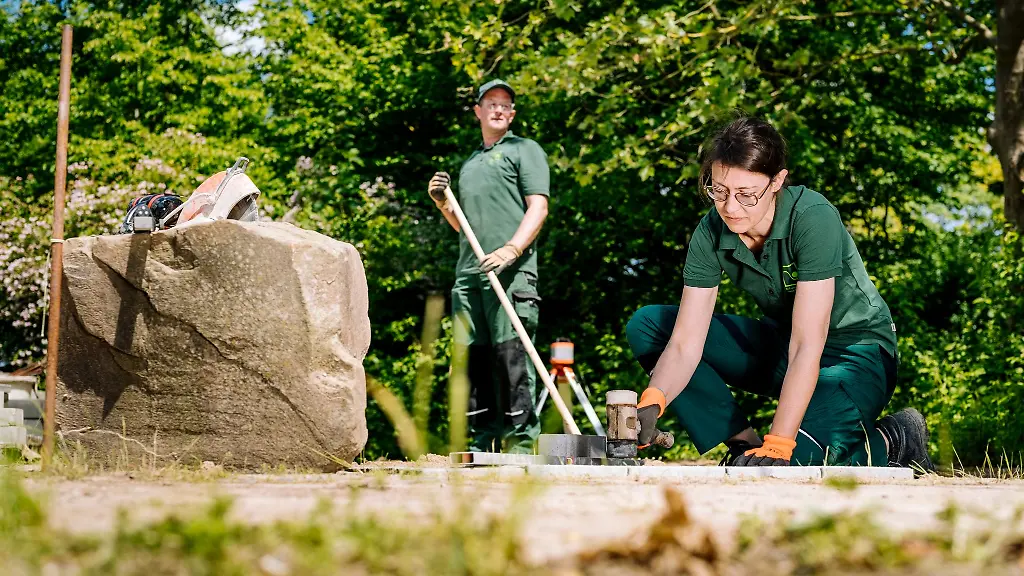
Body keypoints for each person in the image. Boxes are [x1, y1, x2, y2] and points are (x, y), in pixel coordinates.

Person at [625, 117, 932, 469]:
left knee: (795, 463)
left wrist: (781, 443)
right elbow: (683, 343)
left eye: (746, 194)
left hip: (854, 354)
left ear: (777, 182)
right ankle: (743, 444)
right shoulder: (710, 231)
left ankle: (895, 439)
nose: (730, 207)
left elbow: (807, 344)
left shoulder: (813, 218)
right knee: (649, 325)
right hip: (783, 348)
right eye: (719, 191)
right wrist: (654, 400)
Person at [426, 79, 550, 453]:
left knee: (511, 355)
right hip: (469, 274)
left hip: (511, 273)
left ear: (512, 114)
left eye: (505, 104)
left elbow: (539, 206)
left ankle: (520, 442)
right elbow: (463, 226)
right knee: (472, 358)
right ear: (478, 111)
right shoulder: (469, 165)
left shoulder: (524, 150)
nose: (498, 108)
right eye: (491, 103)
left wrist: (512, 249)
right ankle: (480, 441)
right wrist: (442, 203)